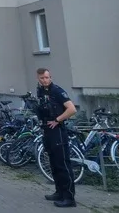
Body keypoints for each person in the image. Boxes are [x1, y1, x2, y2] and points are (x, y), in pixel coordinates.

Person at [36, 68, 77, 208]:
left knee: (62, 164)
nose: (44, 80)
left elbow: (72, 109)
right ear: (38, 79)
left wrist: (58, 120)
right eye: (42, 78)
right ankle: (59, 192)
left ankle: (69, 197)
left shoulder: (57, 91)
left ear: (50, 77)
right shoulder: (40, 91)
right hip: (47, 130)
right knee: (53, 163)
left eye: (47, 77)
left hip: (57, 130)